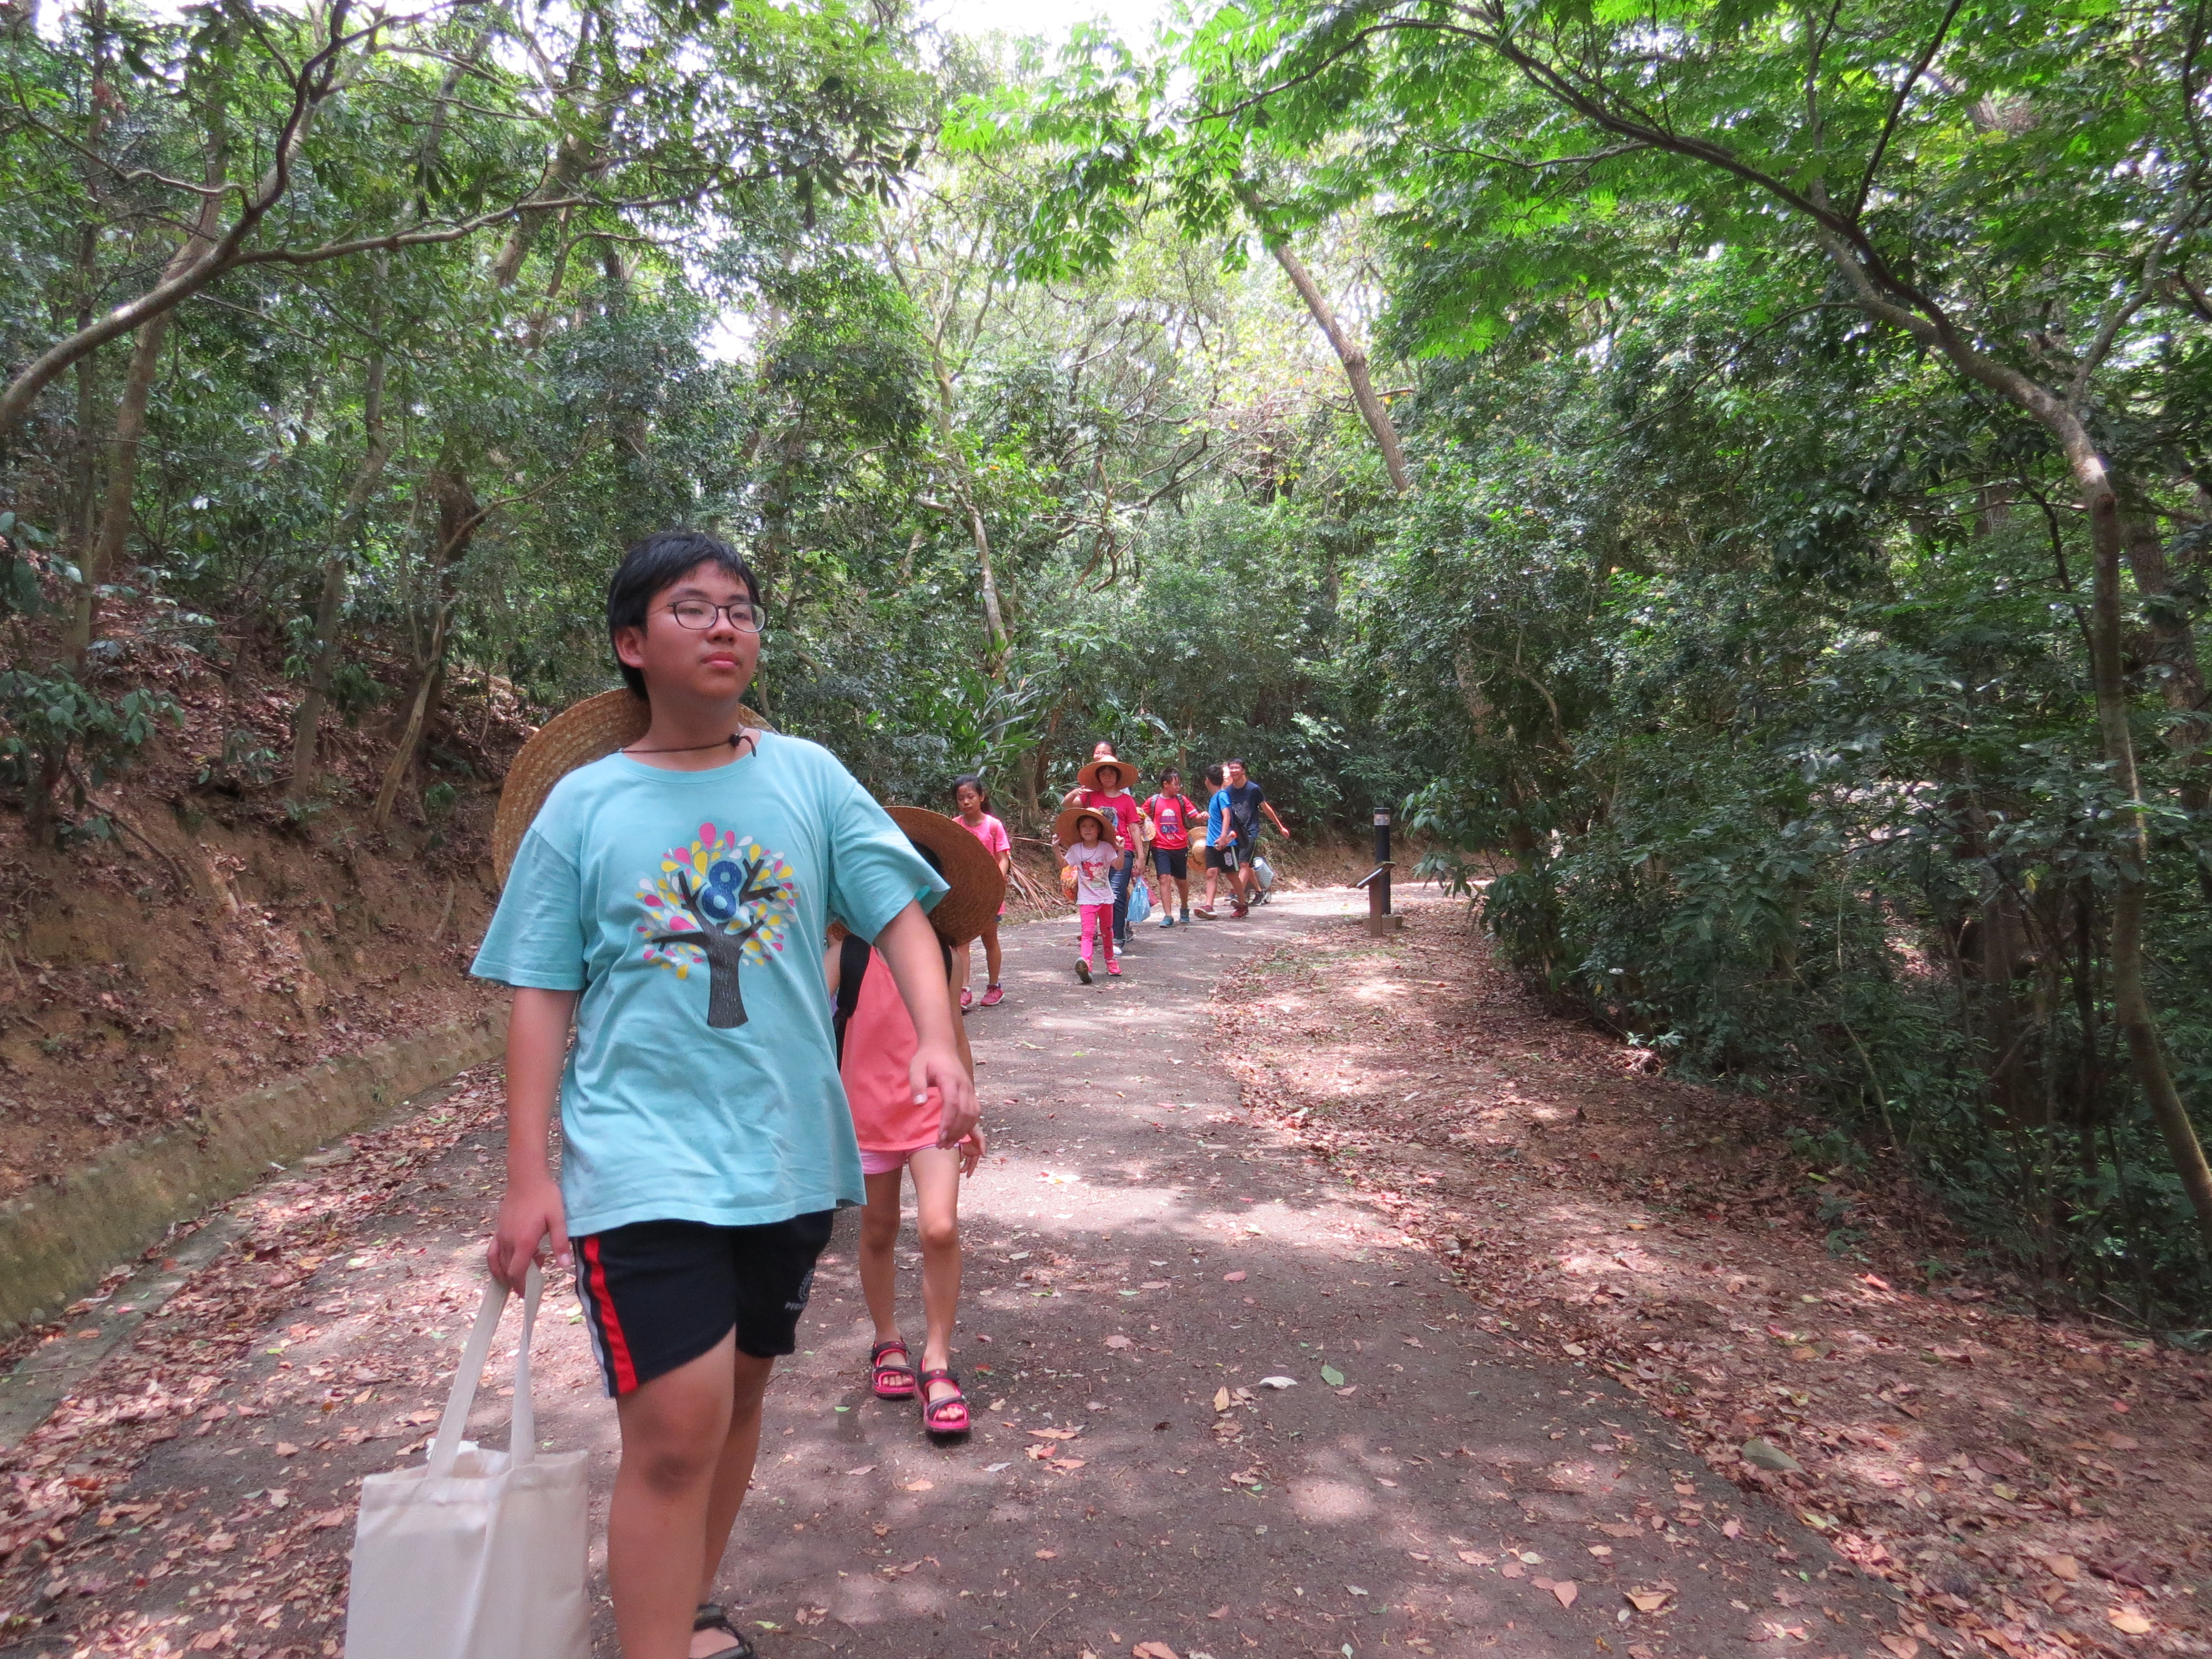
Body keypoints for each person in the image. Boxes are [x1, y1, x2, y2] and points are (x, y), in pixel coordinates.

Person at [476, 529, 977, 1659]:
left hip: (787, 1150)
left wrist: (942, 1044)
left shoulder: (807, 775)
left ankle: (690, 1609)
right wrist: (527, 1175)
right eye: (692, 608)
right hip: (636, 1155)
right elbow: (541, 993)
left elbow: (901, 914)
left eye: (740, 609)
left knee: (741, 1397)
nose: (723, 625)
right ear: (632, 644)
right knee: (674, 1428)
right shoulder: (583, 807)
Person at [830, 806, 1000, 1443]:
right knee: (877, 1228)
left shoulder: (946, 955)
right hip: (864, 1115)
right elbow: (803, 1026)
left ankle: (937, 1359)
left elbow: (954, 1033)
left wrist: (970, 1105)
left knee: (939, 1227)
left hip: (932, 1112)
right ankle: (886, 1340)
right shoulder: (846, 953)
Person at [950, 774, 1010, 1009]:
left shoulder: (993, 826)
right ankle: (963, 990)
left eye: (970, 796)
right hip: (965, 895)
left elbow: (1003, 858)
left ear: (982, 797)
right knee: (962, 942)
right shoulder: (954, 826)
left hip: (990, 895)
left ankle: (995, 987)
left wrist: (995, 882)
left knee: (989, 939)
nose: (966, 802)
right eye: (960, 798)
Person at [1071, 754, 1142, 950]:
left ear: (1118, 776)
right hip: (1097, 853)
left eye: (1112, 773)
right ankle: (1095, 934)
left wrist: (1141, 856)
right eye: (1103, 773)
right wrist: (1077, 792)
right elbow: (1070, 807)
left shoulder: (1127, 801)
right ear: (1099, 777)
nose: (1108, 776)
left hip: (1122, 851)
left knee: (1117, 893)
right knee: (1096, 893)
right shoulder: (1090, 797)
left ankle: (1117, 938)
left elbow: (1134, 827)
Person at [1056, 803, 1120, 982]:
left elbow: (1118, 866)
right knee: (1088, 932)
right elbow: (1064, 865)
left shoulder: (1106, 848)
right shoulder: (1076, 849)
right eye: (1084, 826)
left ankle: (1111, 961)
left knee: (1107, 931)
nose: (1088, 829)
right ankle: (1086, 963)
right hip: (1086, 899)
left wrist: (1121, 850)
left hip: (1106, 898)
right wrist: (1055, 848)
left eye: (1092, 826)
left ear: (1099, 830)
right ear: (1079, 830)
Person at [1221, 757, 1291, 911]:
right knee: (1247, 865)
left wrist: (1280, 827)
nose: (1234, 771)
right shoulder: (1227, 792)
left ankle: (1237, 895)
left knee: (1243, 864)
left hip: (1250, 832)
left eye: (1237, 768)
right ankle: (1260, 893)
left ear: (1243, 770)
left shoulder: (1253, 789)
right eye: (1231, 768)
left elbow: (1266, 808)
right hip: (1234, 834)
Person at [1140, 768, 1200, 927]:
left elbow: (1195, 816)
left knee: (1181, 880)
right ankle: (1168, 915)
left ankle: (1184, 908)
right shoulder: (1153, 802)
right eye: (1175, 784)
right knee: (1164, 878)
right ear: (1166, 784)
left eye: (1180, 784)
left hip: (1180, 846)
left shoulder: (1182, 800)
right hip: (1160, 846)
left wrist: (1202, 817)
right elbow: (1140, 816)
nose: (1178, 787)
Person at [1192, 764, 1243, 920]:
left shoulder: (1222, 796)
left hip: (1226, 844)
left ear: (1208, 780)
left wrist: (1223, 837)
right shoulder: (1214, 797)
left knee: (1232, 875)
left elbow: (1227, 815)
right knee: (1211, 873)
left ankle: (1242, 905)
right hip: (1211, 844)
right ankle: (1209, 906)